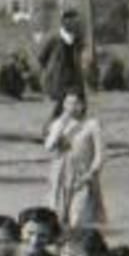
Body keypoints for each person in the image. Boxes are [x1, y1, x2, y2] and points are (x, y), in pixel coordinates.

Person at [44, 92, 107, 227]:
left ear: (82, 105)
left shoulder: (92, 124)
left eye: (75, 103)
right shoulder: (57, 124)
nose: (71, 107)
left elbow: (100, 155)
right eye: (68, 103)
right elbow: (49, 147)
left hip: (82, 175)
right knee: (58, 217)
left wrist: (91, 173)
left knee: (77, 218)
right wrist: (61, 125)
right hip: (60, 176)